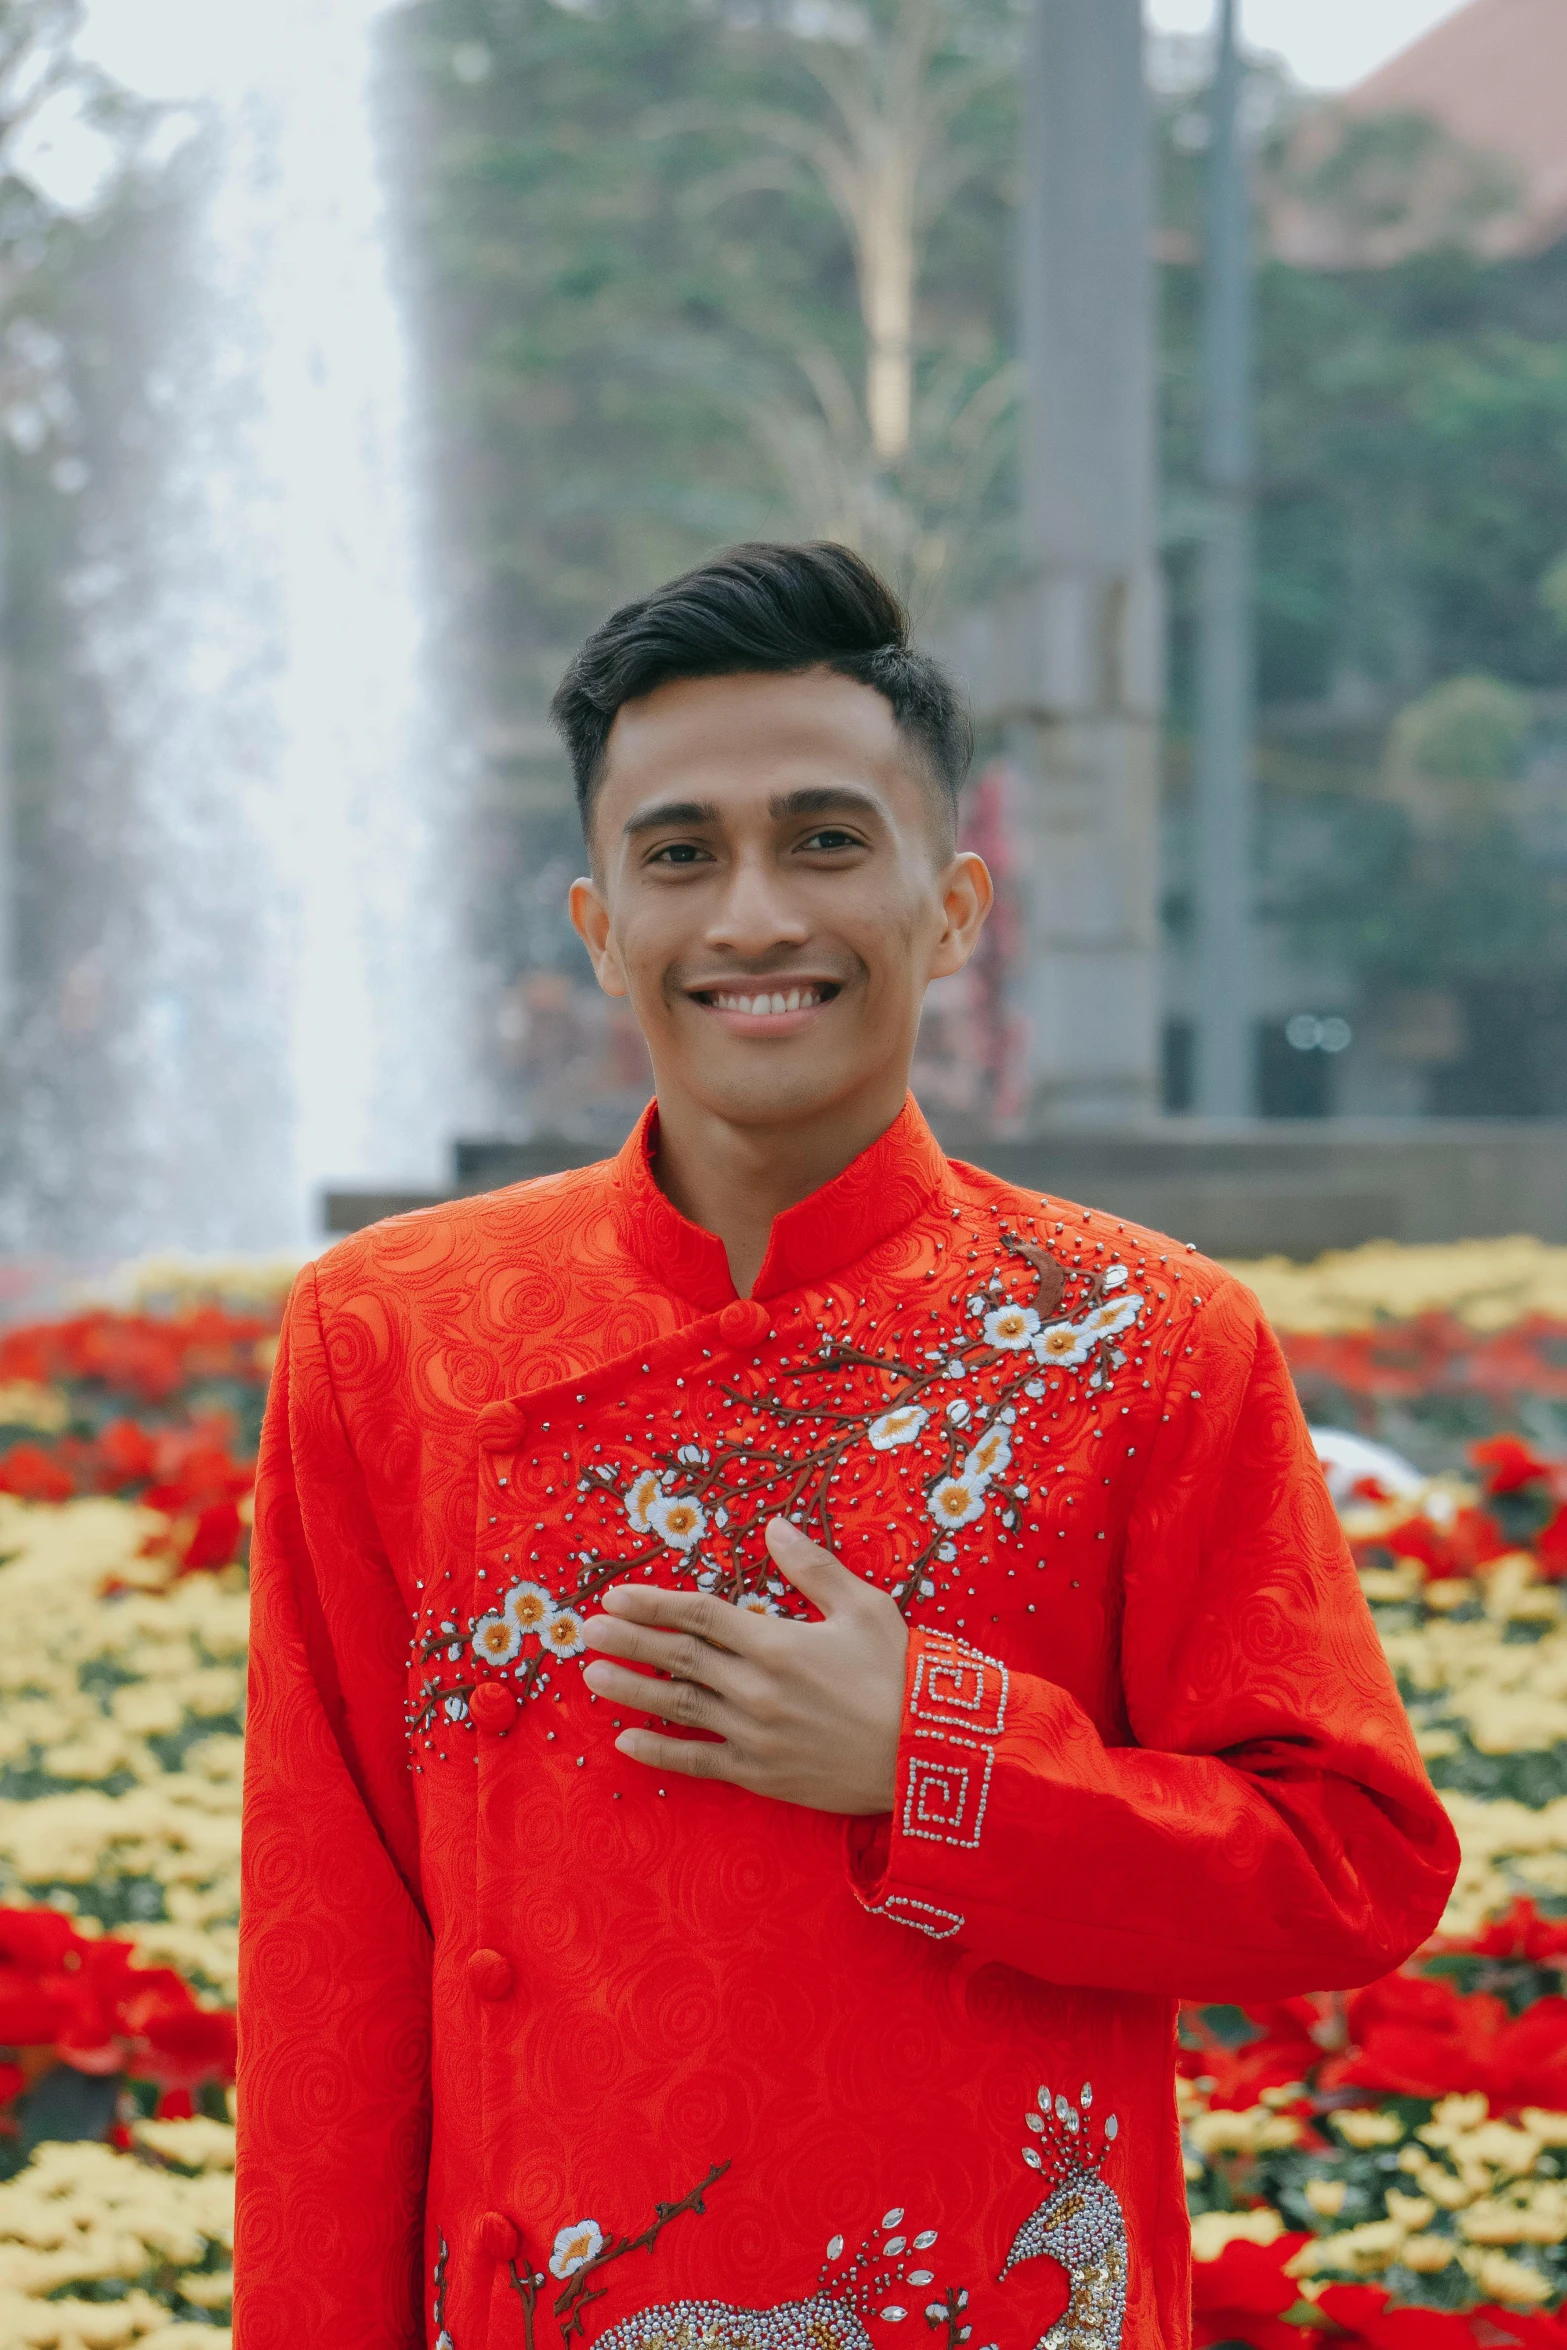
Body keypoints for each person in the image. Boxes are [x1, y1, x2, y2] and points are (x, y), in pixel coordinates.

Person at [234, 542, 1459, 2350]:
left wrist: (932, 1753)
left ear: (953, 906)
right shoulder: (391, 1337)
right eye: (679, 855)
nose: (751, 917)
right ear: (597, 922)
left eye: (824, 841)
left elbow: (1346, 1863)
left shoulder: (1139, 1338)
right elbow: (328, 1971)